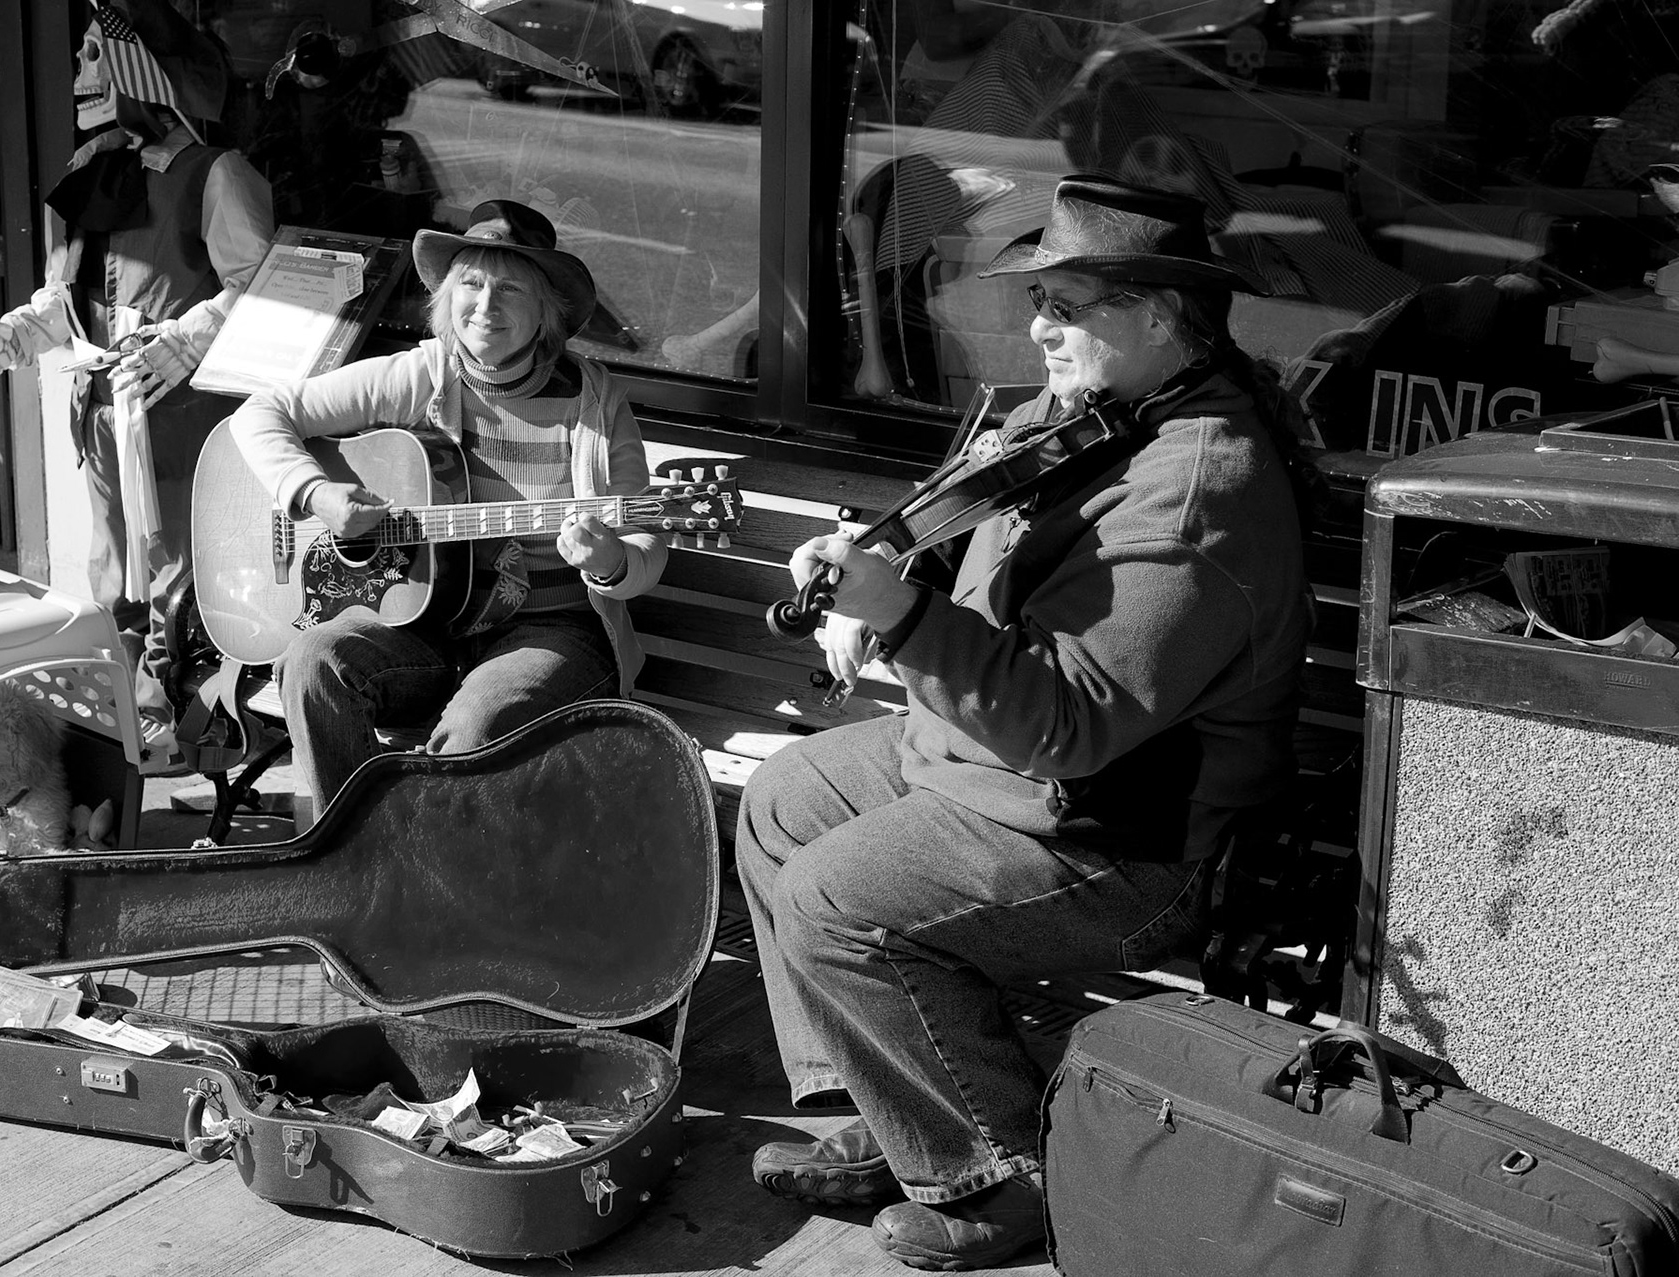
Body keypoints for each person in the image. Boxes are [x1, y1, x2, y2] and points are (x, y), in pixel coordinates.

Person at [737, 175, 1317, 1270]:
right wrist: (878, 562)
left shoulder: (1199, 488)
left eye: (1067, 303)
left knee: (833, 900)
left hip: (1124, 836)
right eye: (1035, 299)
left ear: (1158, 316)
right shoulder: (1094, 413)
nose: (1039, 324)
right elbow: (964, 505)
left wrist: (901, 617)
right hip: (998, 770)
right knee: (779, 802)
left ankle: (995, 1173)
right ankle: (892, 1098)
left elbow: (1072, 725)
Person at [226, 199, 666, 815]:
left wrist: (610, 558)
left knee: (476, 728)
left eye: (510, 288)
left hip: (551, 634)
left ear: (547, 312)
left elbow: (647, 547)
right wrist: (315, 493)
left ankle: (422, 873)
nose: (485, 307)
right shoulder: (424, 374)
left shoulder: (592, 404)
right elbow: (262, 413)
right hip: (425, 624)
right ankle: (349, 857)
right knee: (314, 661)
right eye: (471, 283)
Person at [0, 0, 274, 771]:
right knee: (110, 566)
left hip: (183, 414)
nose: (79, 75)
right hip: (99, 405)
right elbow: (67, 299)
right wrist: (7, 339)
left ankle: (179, 716)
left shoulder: (216, 173)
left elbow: (263, 285)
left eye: (98, 56)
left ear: (144, 73)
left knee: (183, 566)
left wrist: (186, 338)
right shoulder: (90, 166)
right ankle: (113, 711)